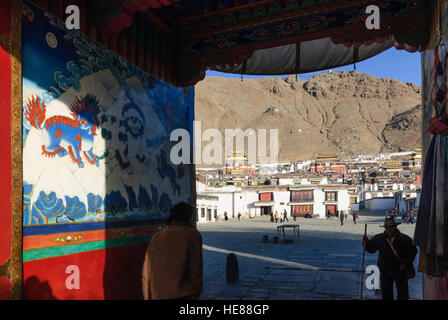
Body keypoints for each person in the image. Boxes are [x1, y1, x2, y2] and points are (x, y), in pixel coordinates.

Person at [142, 202, 203, 300]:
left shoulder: (157, 236)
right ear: (189, 217)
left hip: (157, 294)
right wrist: (196, 292)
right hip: (182, 294)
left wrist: (146, 296)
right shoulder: (192, 235)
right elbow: (195, 269)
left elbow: (146, 271)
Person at [362, 216, 417, 300]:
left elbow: (412, 252)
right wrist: (366, 243)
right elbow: (371, 249)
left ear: (395, 227)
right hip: (386, 271)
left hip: (400, 271)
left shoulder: (404, 239)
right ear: (385, 228)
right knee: (386, 294)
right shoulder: (379, 238)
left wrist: (405, 263)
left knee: (403, 294)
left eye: (391, 227)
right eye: (387, 227)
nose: (389, 229)